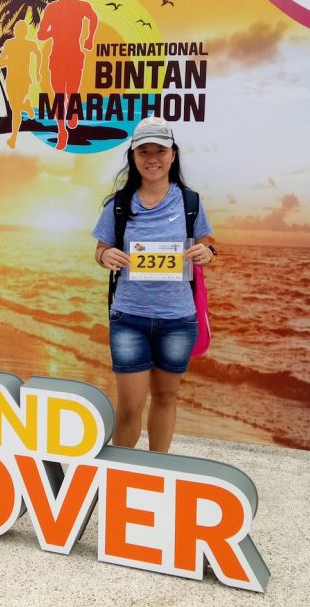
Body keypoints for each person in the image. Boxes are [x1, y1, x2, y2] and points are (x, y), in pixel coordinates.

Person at [92, 117, 215, 453]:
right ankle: (123, 471)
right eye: (143, 151)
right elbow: (101, 250)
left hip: (178, 320)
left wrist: (206, 253)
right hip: (129, 319)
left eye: (159, 150)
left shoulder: (190, 203)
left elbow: (206, 245)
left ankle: (157, 469)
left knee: (165, 397)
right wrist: (105, 256)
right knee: (130, 406)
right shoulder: (117, 205)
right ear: (133, 156)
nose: (152, 158)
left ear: (172, 154)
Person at [36, 0, 99, 150]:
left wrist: (89, 39)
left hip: (72, 56)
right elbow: (41, 34)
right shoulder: (53, 8)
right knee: (61, 96)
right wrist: (54, 32)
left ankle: (70, 116)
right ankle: (62, 131)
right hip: (60, 57)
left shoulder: (79, 6)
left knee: (69, 93)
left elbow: (93, 18)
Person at [0, 21, 42, 149]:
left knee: (16, 110)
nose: (20, 32)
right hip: (13, 80)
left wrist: (37, 72)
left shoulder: (28, 44)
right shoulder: (11, 44)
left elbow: (38, 54)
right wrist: (11, 61)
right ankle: (25, 106)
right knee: (16, 108)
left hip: (22, 80)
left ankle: (13, 138)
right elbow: (0, 62)